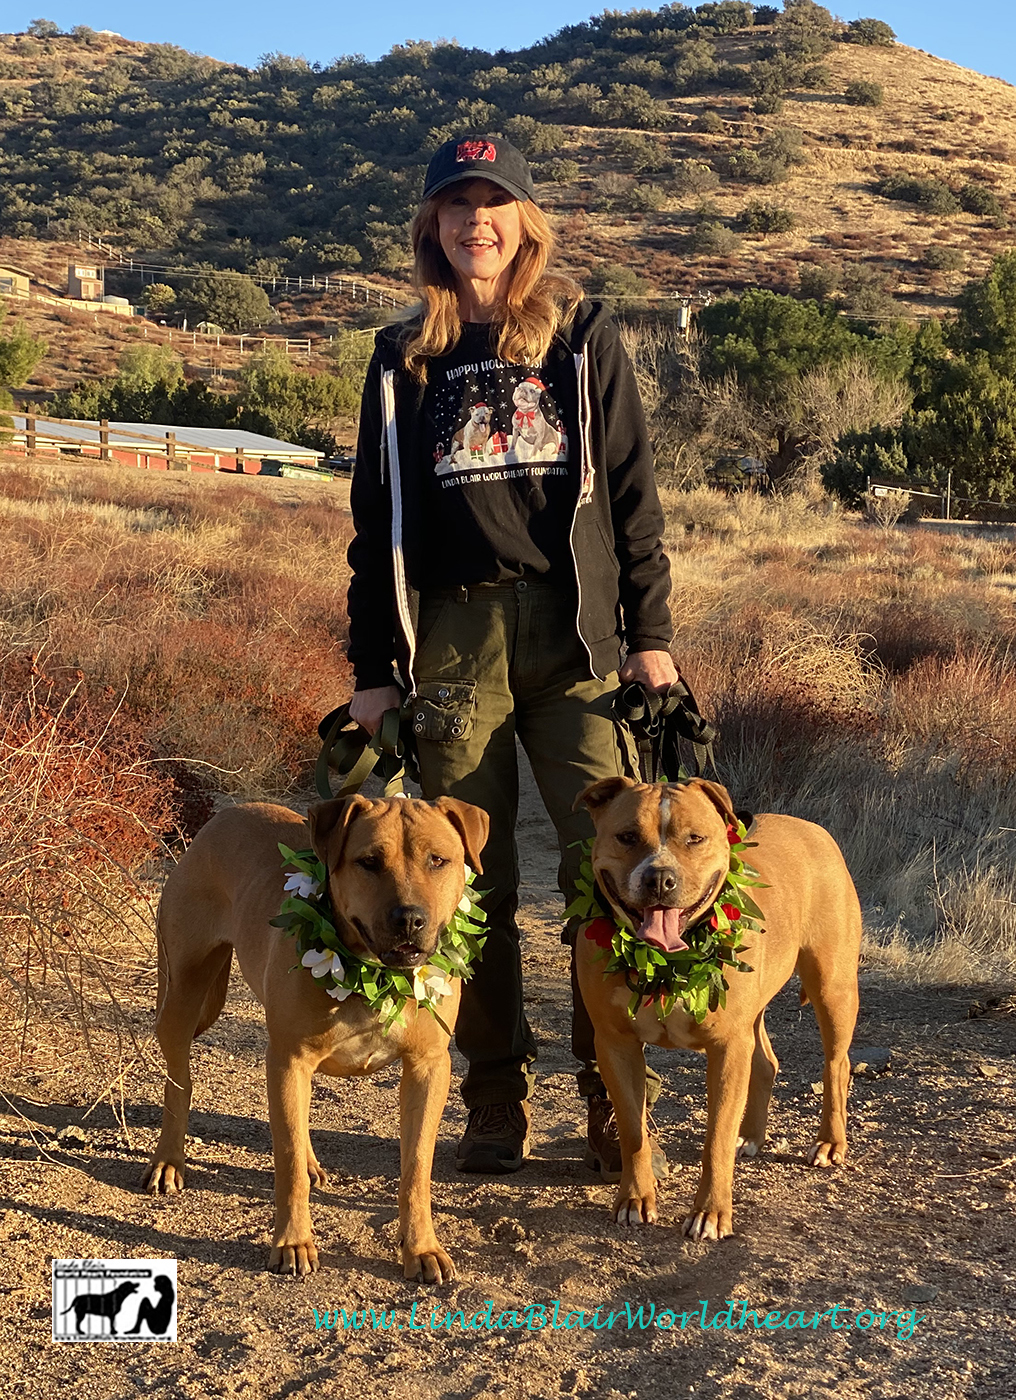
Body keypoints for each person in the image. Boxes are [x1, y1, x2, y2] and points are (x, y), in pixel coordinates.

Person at [346, 134, 678, 1177]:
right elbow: (370, 520)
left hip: (575, 631)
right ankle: (492, 1089)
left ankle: (605, 1078)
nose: (473, 221)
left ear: (523, 224)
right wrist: (371, 663)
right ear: (432, 230)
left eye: (493, 204)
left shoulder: (580, 332)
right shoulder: (401, 351)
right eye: (454, 205)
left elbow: (630, 487)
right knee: (456, 880)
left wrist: (651, 635)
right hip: (451, 637)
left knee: (609, 860)